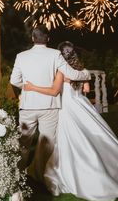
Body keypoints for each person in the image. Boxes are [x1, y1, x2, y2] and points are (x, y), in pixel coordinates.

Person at [23, 41, 118, 201]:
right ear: (74, 54)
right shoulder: (82, 70)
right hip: (82, 105)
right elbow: (87, 90)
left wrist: (33, 87)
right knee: (97, 136)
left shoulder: (60, 70)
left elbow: (54, 91)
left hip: (66, 108)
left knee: (67, 140)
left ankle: (73, 173)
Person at [9, 26, 91, 182]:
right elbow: (72, 74)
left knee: (23, 142)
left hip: (28, 105)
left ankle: (17, 176)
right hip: (50, 106)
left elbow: (14, 80)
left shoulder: (21, 56)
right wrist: (86, 74)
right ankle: (40, 177)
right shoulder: (55, 54)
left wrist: (27, 88)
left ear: (32, 38)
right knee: (46, 144)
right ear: (48, 39)